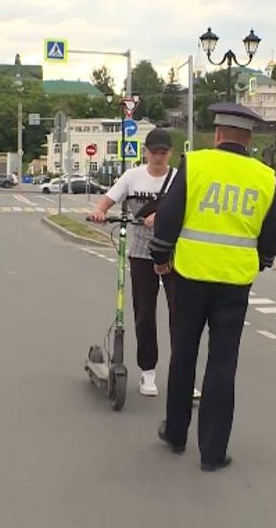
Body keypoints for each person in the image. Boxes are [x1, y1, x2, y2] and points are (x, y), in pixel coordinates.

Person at [150, 102, 276, 472]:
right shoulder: (263, 176)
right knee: (223, 364)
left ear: (219, 134)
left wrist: (160, 255)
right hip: (234, 284)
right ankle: (212, 453)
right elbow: (274, 233)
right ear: (249, 137)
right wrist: (261, 260)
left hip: (190, 277)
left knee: (184, 355)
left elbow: (169, 215)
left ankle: (176, 434)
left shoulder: (195, 164)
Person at [88, 128, 199, 398]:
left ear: (170, 153)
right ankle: (147, 373)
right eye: (154, 152)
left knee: (180, 317)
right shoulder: (132, 176)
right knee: (144, 314)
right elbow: (108, 200)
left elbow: (190, 208)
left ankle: (182, 378)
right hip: (140, 253)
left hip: (174, 254)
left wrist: (161, 214)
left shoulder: (178, 180)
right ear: (146, 152)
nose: (158, 157)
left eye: (163, 152)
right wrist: (100, 212)